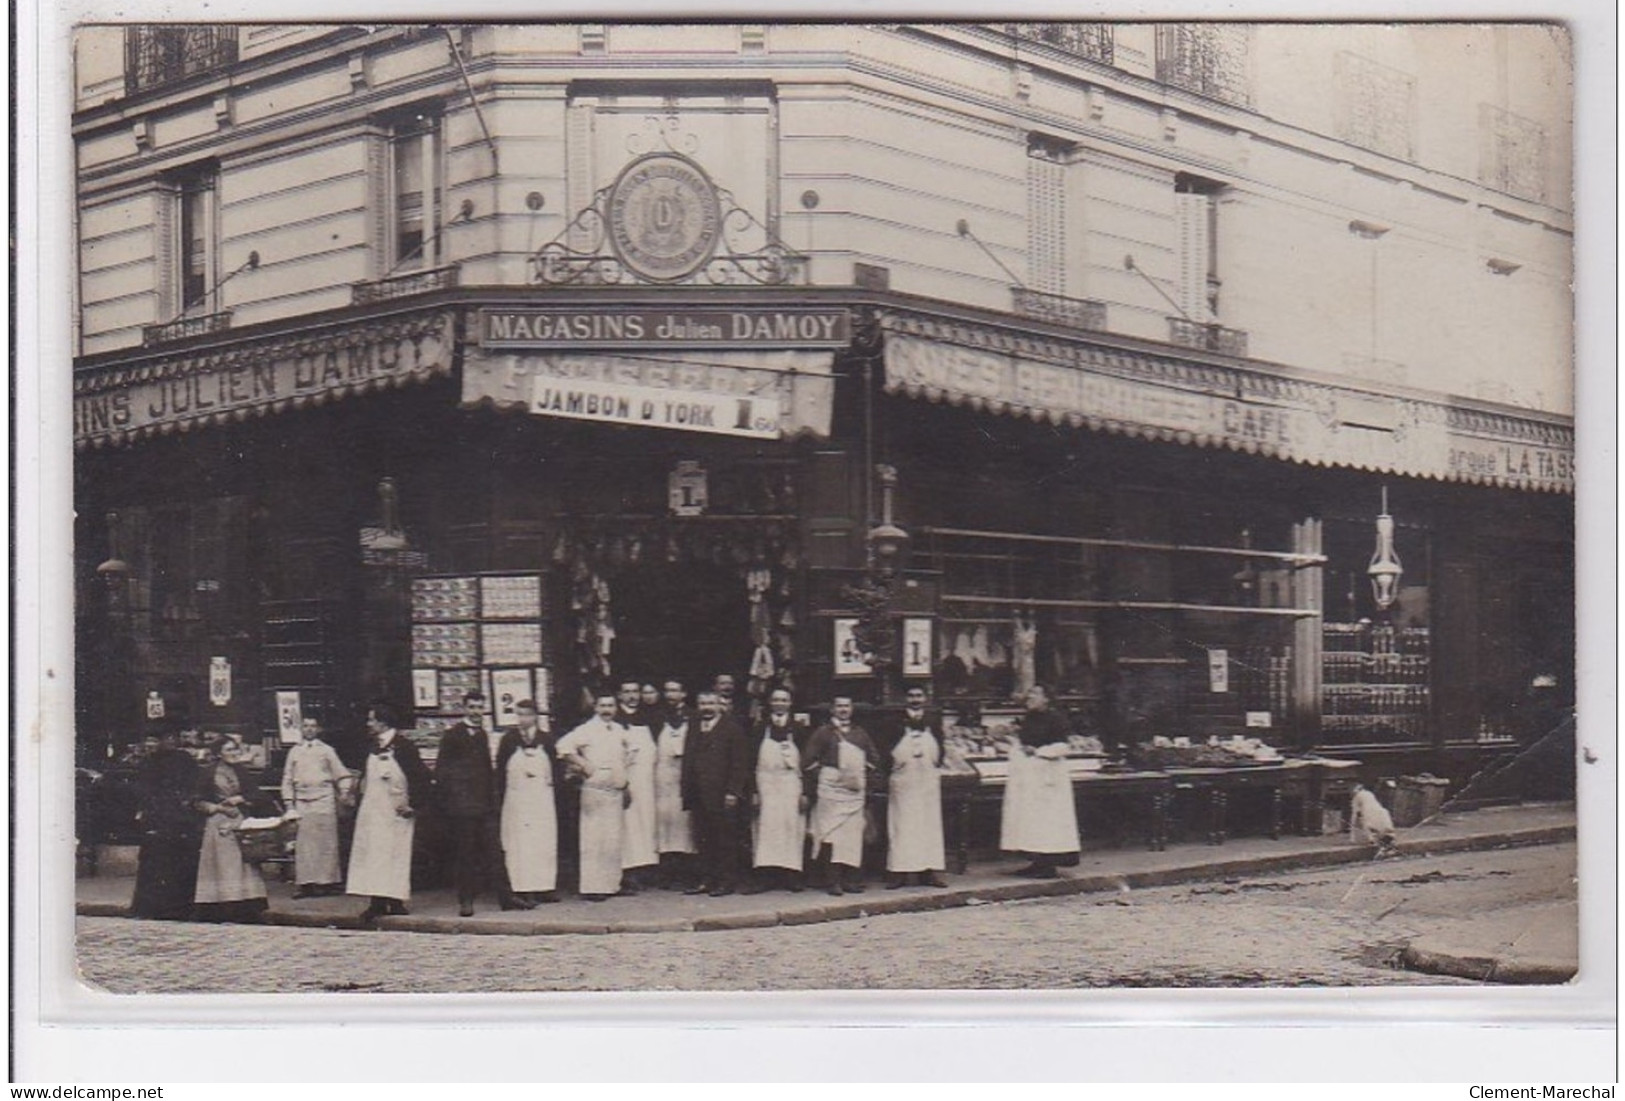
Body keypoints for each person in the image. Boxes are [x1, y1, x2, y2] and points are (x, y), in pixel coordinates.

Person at [437, 691, 530, 916]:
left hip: (484, 805)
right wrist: (455, 800)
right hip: (463, 807)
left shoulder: (484, 736)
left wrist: (493, 801)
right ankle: (466, 901)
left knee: (495, 852)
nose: (476, 712)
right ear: (464, 708)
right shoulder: (452, 735)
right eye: (472, 707)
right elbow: (443, 771)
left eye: (480, 707)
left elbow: (487, 771)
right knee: (466, 854)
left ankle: (506, 898)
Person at [347, 702, 430, 922]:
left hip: (396, 811)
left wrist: (414, 805)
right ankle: (377, 902)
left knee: (396, 855)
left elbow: (421, 778)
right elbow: (363, 776)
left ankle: (396, 901)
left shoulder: (404, 747)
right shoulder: (370, 746)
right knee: (375, 855)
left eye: (372, 720)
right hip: (374, 809)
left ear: (383, 722)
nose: (368, 723)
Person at [999, 684, 1081, 878]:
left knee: (1048, 820)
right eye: (1029, 694)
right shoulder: (1029, 719)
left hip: (1050, 777)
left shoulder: (1056, 719)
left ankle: (1048, 864)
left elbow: (1063, 747)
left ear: (1046, 699)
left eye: (1035, 694)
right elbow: (1024, 743)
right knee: (1032, 820)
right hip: (1031, 775)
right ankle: (1036, 861)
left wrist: (1038, 752)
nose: (1030, 697)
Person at [803, 696, 881, 896]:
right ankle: (832, 881)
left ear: (852, 709)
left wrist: (859, 774)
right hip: (830, 791)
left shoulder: (860, 733)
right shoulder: (823, 733)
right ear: (832, 709)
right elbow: (808, 760)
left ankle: (851, 880)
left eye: (846, 706)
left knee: (852, 837)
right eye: (839, 706)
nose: (843, 709)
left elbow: (873, 759)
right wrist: (827, 775)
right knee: (830, 835)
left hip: (853, 792)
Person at [556, 694, 632, 900]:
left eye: (610, 705)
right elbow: (563, 747)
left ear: (616, 708)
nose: (607, 709)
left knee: (613, 838)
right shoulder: (587, 729)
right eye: (602, 705)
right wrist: (583, 764)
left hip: (615, 788)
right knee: (594, 838)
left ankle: (612, 884)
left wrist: (625, 784)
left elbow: (629, 754)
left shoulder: (618, 729)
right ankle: (593, 887)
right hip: (595, 788)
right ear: (595, 708)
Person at [679, 690, 751, 897]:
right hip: (698, 793)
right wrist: (687, 790)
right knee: (702, 839)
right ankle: (706, 879)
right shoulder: (694, 726)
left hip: (722, 795)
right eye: (702, 703)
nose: (706, 707)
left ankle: (726, 881)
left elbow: (740, 764)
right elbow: (688, 760)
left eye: (711, 703)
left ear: (720, 705)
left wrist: (733, 792)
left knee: (724, 840)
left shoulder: (732, 729)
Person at [192, 733, 270, 923]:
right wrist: (218, 808)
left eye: (235, 749)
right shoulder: (208, 772)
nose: (234, 753)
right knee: (224, 865)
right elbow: (196, 800)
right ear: (219, 753)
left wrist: (241, 798)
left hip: (240, 821)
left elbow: (256, 794)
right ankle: (224, 909)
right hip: (219, 823)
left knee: (244, 865)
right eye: (228, 750)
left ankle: (247, 908)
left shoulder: (242, 771)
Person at [130, 726, 203, 921]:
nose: (171, 741)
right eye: (167, 737)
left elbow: (196, 785)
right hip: (158, 819)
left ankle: (180, 908)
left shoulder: (186, 760)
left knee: (181, 864)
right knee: (155, 865)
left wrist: (188, 802)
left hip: (181, 820)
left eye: (175, 737)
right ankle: (150, 908)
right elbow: (144, 792)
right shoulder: (149, 763)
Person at [743, 687, 808, 894]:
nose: (780, 703)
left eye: (784, 700)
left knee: (791, 829)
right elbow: (749, 763)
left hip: (790, 784)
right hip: (766, 785)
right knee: (765, 830)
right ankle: (765, 877)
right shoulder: (760, 728)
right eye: (776, 699)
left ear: (790, 704)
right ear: (770, 703)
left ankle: (792, 877)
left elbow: (807, 764)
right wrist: (753, 791)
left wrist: (805, 792)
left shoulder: (799, 729)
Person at [280, 716, 353, 898]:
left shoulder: (327, 751)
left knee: (325, 842)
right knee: (304, 845)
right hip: (302, 801)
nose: (310, 729)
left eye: (313, 726)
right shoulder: (294, 752)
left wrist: (344, 792)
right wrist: (289, 803)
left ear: (318, 729)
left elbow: (342, 774)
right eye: (306, 726)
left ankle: (325, 883)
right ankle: (305, 884)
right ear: (301, 729)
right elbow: (287, 778)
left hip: (323, 799)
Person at [495, 699, 559, 904]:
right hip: (518, 800)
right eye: (519, 714)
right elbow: (500, 770)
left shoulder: (547, 739)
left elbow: (556, 769)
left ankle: (544, 886)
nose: (522, 719)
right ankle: (522, 888)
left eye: (526, 714)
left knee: (543, 841)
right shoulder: (508, 740)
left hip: (541, 798)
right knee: (519, 843)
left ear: (535, 716)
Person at [886, 686, 949, 888]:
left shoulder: (933, 721)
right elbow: (885, 747)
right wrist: (896, 764)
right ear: (906, 698)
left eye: (919, 696)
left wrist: (934, 763)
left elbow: (941, 747)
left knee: (929, 825)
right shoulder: (895, 721)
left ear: (925, 698)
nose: (915, 699)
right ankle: (899, 872)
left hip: (927, 780)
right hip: (904, 780)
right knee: (902, 825)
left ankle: (930, 872)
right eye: (911, 695)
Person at [615, 680, 659, 891]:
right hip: (626, 781)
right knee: (627, 827)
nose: (632, 696)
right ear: (619, 695)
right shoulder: (614, 719)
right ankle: (626, 872)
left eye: (635, 691)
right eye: (627, 692)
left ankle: (644, 870)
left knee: (645, 825)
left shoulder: (649, 717)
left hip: (647, 783)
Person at [653, 680, 698, 887]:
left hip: (684, 775)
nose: (670, 694)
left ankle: (686, 873)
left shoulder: (694, 717)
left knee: (685, 823)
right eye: (667, 690)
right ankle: (666, 872)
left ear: (684, 693)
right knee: (664, 822)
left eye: (675, 690)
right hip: (662, 776)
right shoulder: (657, 717)